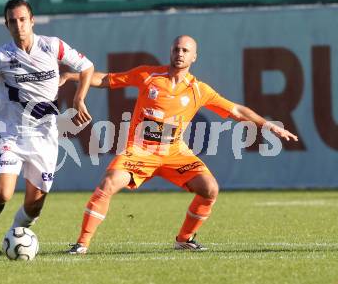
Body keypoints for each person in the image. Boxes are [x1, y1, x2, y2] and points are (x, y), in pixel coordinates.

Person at [60, 35, 298, 254]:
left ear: (194, 57)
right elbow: (106, 79)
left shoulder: (198, 90)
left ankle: (184, 238)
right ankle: (82, 244)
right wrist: (73, 76)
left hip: (175, 153)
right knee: (108, 183)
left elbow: (235, 109)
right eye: (176, 49)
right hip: (140, 151)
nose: (180, 53)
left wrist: (267, 125)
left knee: (210, 189)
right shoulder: (148, 75)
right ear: (170, 52)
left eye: (186, 50)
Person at [0, 0, 94, 231]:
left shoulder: (52, 46)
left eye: (23, 19)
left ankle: (16, 231)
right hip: (13, 133)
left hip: (45, 136)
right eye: (12, 21)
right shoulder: (1, 56)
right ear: (6, 25)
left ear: (32, 21)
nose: (18, 25)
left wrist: (78, 98)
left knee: (34, 208)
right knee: (2, 194)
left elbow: (86, 67)